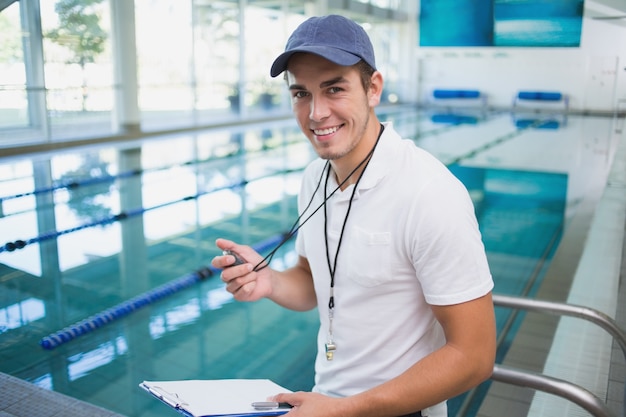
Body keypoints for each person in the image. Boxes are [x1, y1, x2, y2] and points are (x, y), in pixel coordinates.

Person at [212, 14, 496, 417]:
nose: (316, 113)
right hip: (324, 400)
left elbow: (473, 356)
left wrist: (345, 409)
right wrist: (269, 281)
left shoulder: (429, 193)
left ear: (373, 88)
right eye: (301, 94)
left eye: (334, 89)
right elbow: (313, 284)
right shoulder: (315, 178)